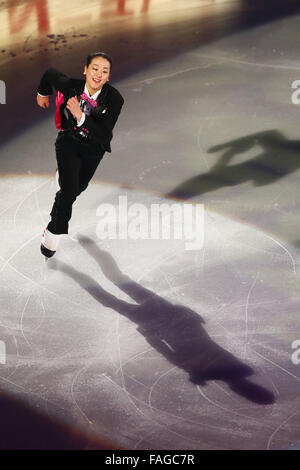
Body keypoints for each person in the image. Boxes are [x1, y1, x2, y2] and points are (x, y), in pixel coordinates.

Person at [36, 52, 124, 258]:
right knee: (68, 191)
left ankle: (63, 178)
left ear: (108, 77)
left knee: (77, 188)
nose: (98, 74)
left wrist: (80, 116)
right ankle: (52, 234)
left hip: (94, 148)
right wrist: (42, 93)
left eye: (104, 71)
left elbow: (104, 134)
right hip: (69, 141)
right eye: (95, 68)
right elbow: (50, 73)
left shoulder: (115, 99)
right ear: (85, 70)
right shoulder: (71, 86)